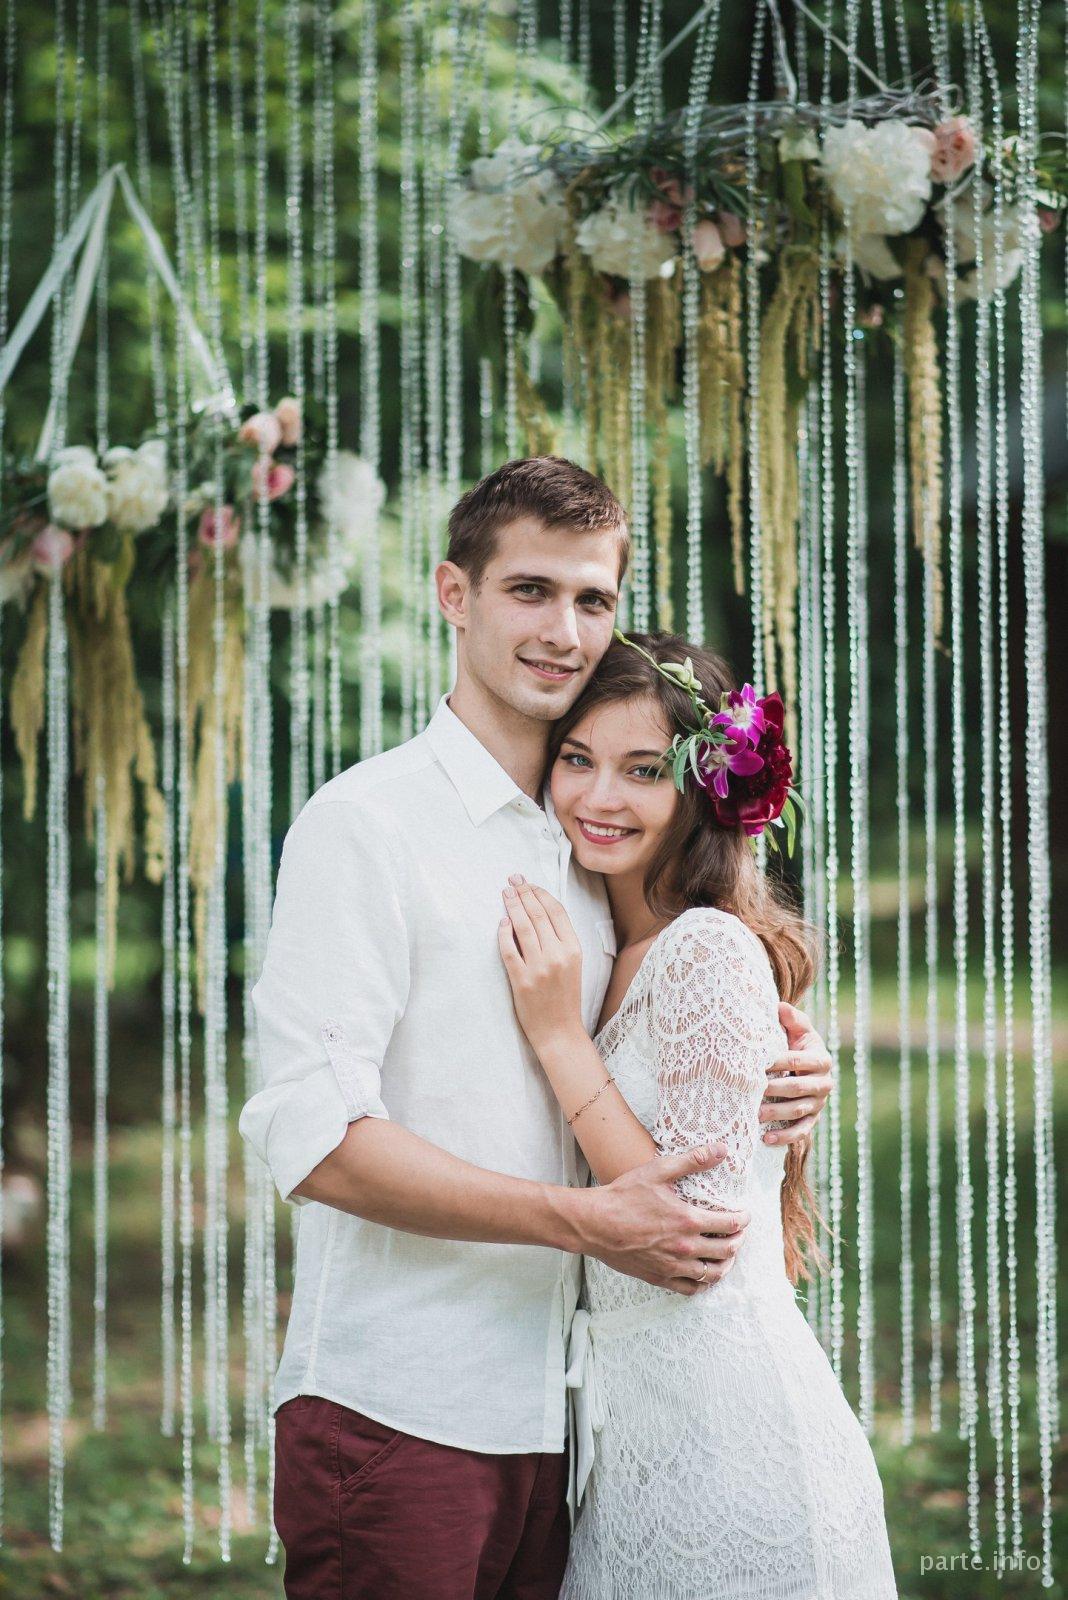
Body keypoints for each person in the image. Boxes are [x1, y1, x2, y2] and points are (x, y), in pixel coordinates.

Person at [238, 457, 834, 1600]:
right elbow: (313, 1139)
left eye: (592, 598)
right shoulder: (367, 825)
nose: (564, 631)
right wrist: (582, 1221)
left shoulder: (593, 838)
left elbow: (674, 1022)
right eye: (530, 590)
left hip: (573, 1427)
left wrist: (783, 1062)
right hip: (404, 1404)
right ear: (454, 594)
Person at [497, 629, 897, 1600]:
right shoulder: (602, 944)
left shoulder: (705, 947)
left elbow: (693, 1233)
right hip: (632, 1436)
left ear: (702, 790)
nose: (599, 797)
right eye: (577, 760)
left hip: (730, 1440)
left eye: (643, 770)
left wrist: (559, 1040)